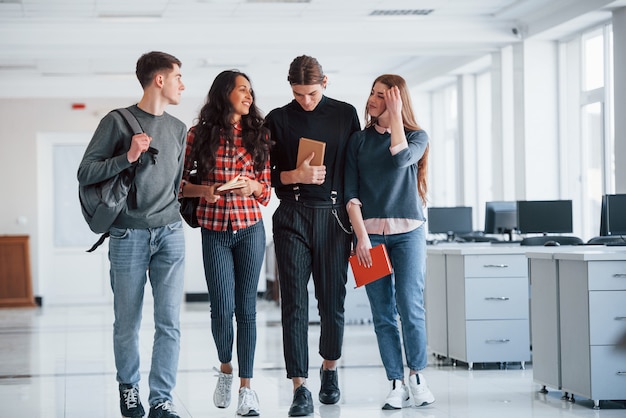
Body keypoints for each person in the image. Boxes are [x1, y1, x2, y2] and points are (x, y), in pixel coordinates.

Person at [77, 51, 187, 418]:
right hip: (128, 235)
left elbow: (175, 185)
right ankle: (129, 389)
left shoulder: (177, 129)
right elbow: (86, 172)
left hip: (170, 232)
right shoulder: (117, 122)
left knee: (169, 321)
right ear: (159, 80)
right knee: (127, 321)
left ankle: (162, 399)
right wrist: (127, 157)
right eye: (178, 78)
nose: (182, 85)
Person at [265, 55, 361, 417]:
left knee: (332, 301)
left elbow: (353, 169)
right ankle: (299, 386)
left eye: (312, 92)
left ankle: (329, 370)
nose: (306, 100)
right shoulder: (277, 119)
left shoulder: (344, 114)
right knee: (293, 302)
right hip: (291, 214)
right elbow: (269, 178)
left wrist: (359, 222)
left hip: (335, 218)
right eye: (298, 93)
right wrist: (295, 176)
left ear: (326, 82)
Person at [181, 70, 271, 417]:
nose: (249, 96)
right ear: (224, 94)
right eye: (242, 90)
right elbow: (180, 186)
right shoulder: (198, 136)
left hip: (250, 228)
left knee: (247, 310)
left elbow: (266, 188)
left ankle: (247, 389)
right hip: (214, 229)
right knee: (221, 307)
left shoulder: (259, 134)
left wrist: (254, 188)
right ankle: (225, 369)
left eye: (250, 90)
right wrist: (206, 191)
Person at [343, 74, 435, 410]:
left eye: (382, 95)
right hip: (370, 236)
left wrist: (396, 117)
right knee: (382, 313)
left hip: (408, 233)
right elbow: (350, 195)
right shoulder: (358, 141)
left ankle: (418, 377)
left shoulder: (417, 137)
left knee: (410, 306)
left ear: (396, 101)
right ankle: (395, 382)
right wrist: (361, 238)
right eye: (372, 92)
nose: (372, 99)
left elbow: (399, 159)